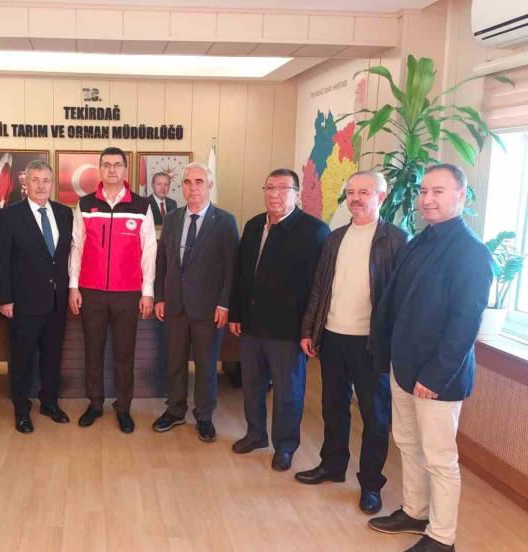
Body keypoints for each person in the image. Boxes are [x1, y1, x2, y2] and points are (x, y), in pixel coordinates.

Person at [368, 164, 493, 552]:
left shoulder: (472, 253)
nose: (427, 199)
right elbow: (398, 304)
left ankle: (442, 537)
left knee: (439, 458)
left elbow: (464, 324)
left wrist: (435, 376)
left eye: (438, 191)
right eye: (424, 191)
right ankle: (415, 511)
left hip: (437, 378)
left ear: (461, 196)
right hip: (403, 367)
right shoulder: (418, 241)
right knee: (407, 443)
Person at [295, 171, 407, 514]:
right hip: (332, 336)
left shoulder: (396, 240)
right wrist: (309, 329)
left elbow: (401, 298)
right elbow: (319, 286)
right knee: (333, 407)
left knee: (375, 415)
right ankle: (332, 465)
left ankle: (371, 483)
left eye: (364, 192)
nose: (355, 198)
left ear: (381, 197)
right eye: (352, 192)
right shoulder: (335, 238)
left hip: (371, 343)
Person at [229, 168, 329, 471]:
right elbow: (241, 274)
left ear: (296, 194)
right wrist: (236, 313)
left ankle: (285, 446)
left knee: (288, 392)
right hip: (251, 325)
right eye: (270, 188)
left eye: (283, 188)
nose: (275, 194)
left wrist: (309, 330)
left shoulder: (314, 231)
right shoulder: (254, 225)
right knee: (252, 385)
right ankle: (255, 434)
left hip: (288, 330)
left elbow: (318, 287)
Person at [68, 146, 156, 433]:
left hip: (128, 293)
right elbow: (77, 246)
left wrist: (147, 291)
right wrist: (73, 286)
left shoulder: (141, 206)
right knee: (92, 352)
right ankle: (95, 404)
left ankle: (124, 407)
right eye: (106, 165)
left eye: (117, 165)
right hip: (91, 291)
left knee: (124, 354)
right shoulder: (85, 205)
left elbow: (149, 250)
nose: (112, 170)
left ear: (125, 169)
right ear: (100, 169)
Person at [152, 163, 238, 442]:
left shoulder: (224, 221)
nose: (193, 188)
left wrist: (224, 304)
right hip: (175, 306)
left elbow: (232, 268)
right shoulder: (173, 218)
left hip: (208, 310)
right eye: (188, 182)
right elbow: (163, 261)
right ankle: (175, 410)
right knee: (175, 362)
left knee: (205, 365)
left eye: (199, 182)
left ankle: (204, 416)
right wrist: (160, 297)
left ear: (210, 186)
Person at [0, 160, 73, 433]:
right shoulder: (9, 216)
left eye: (46, 180)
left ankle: (49, 403)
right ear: (25, 183)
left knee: (52, 356)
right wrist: (4, 299)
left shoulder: (64, 213)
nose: (41, 186)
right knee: (22, 359)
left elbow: (66, 257)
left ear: (52, 184)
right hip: (24, 303)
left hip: (56, 301)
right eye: (35, 180)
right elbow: (0, 261)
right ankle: (21, 409)